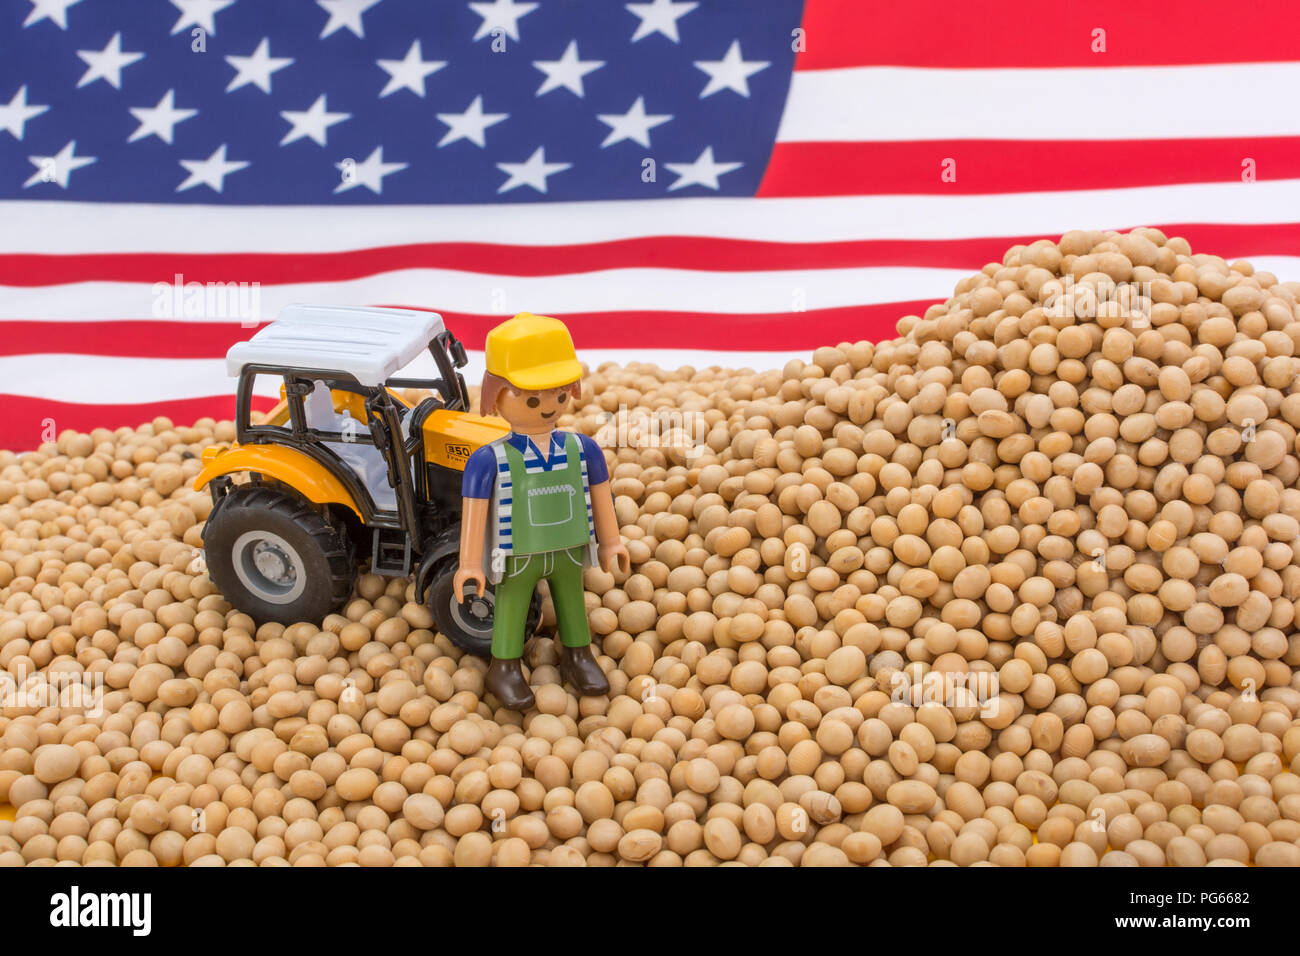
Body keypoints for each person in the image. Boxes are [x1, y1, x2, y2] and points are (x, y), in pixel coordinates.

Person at [454, 313, 630, 710]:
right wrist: (469, 563)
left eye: (560, 395)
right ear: (496, 396)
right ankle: (504, 666)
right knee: (512, 607)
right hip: (518, 552)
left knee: (572, 601)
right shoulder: (488, 460)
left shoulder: (582, 449)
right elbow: (475, 511)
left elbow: (601, 494)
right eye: (533, 399)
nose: (549, 407)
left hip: (568, 546)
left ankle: (578, 655)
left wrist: (611, 541)